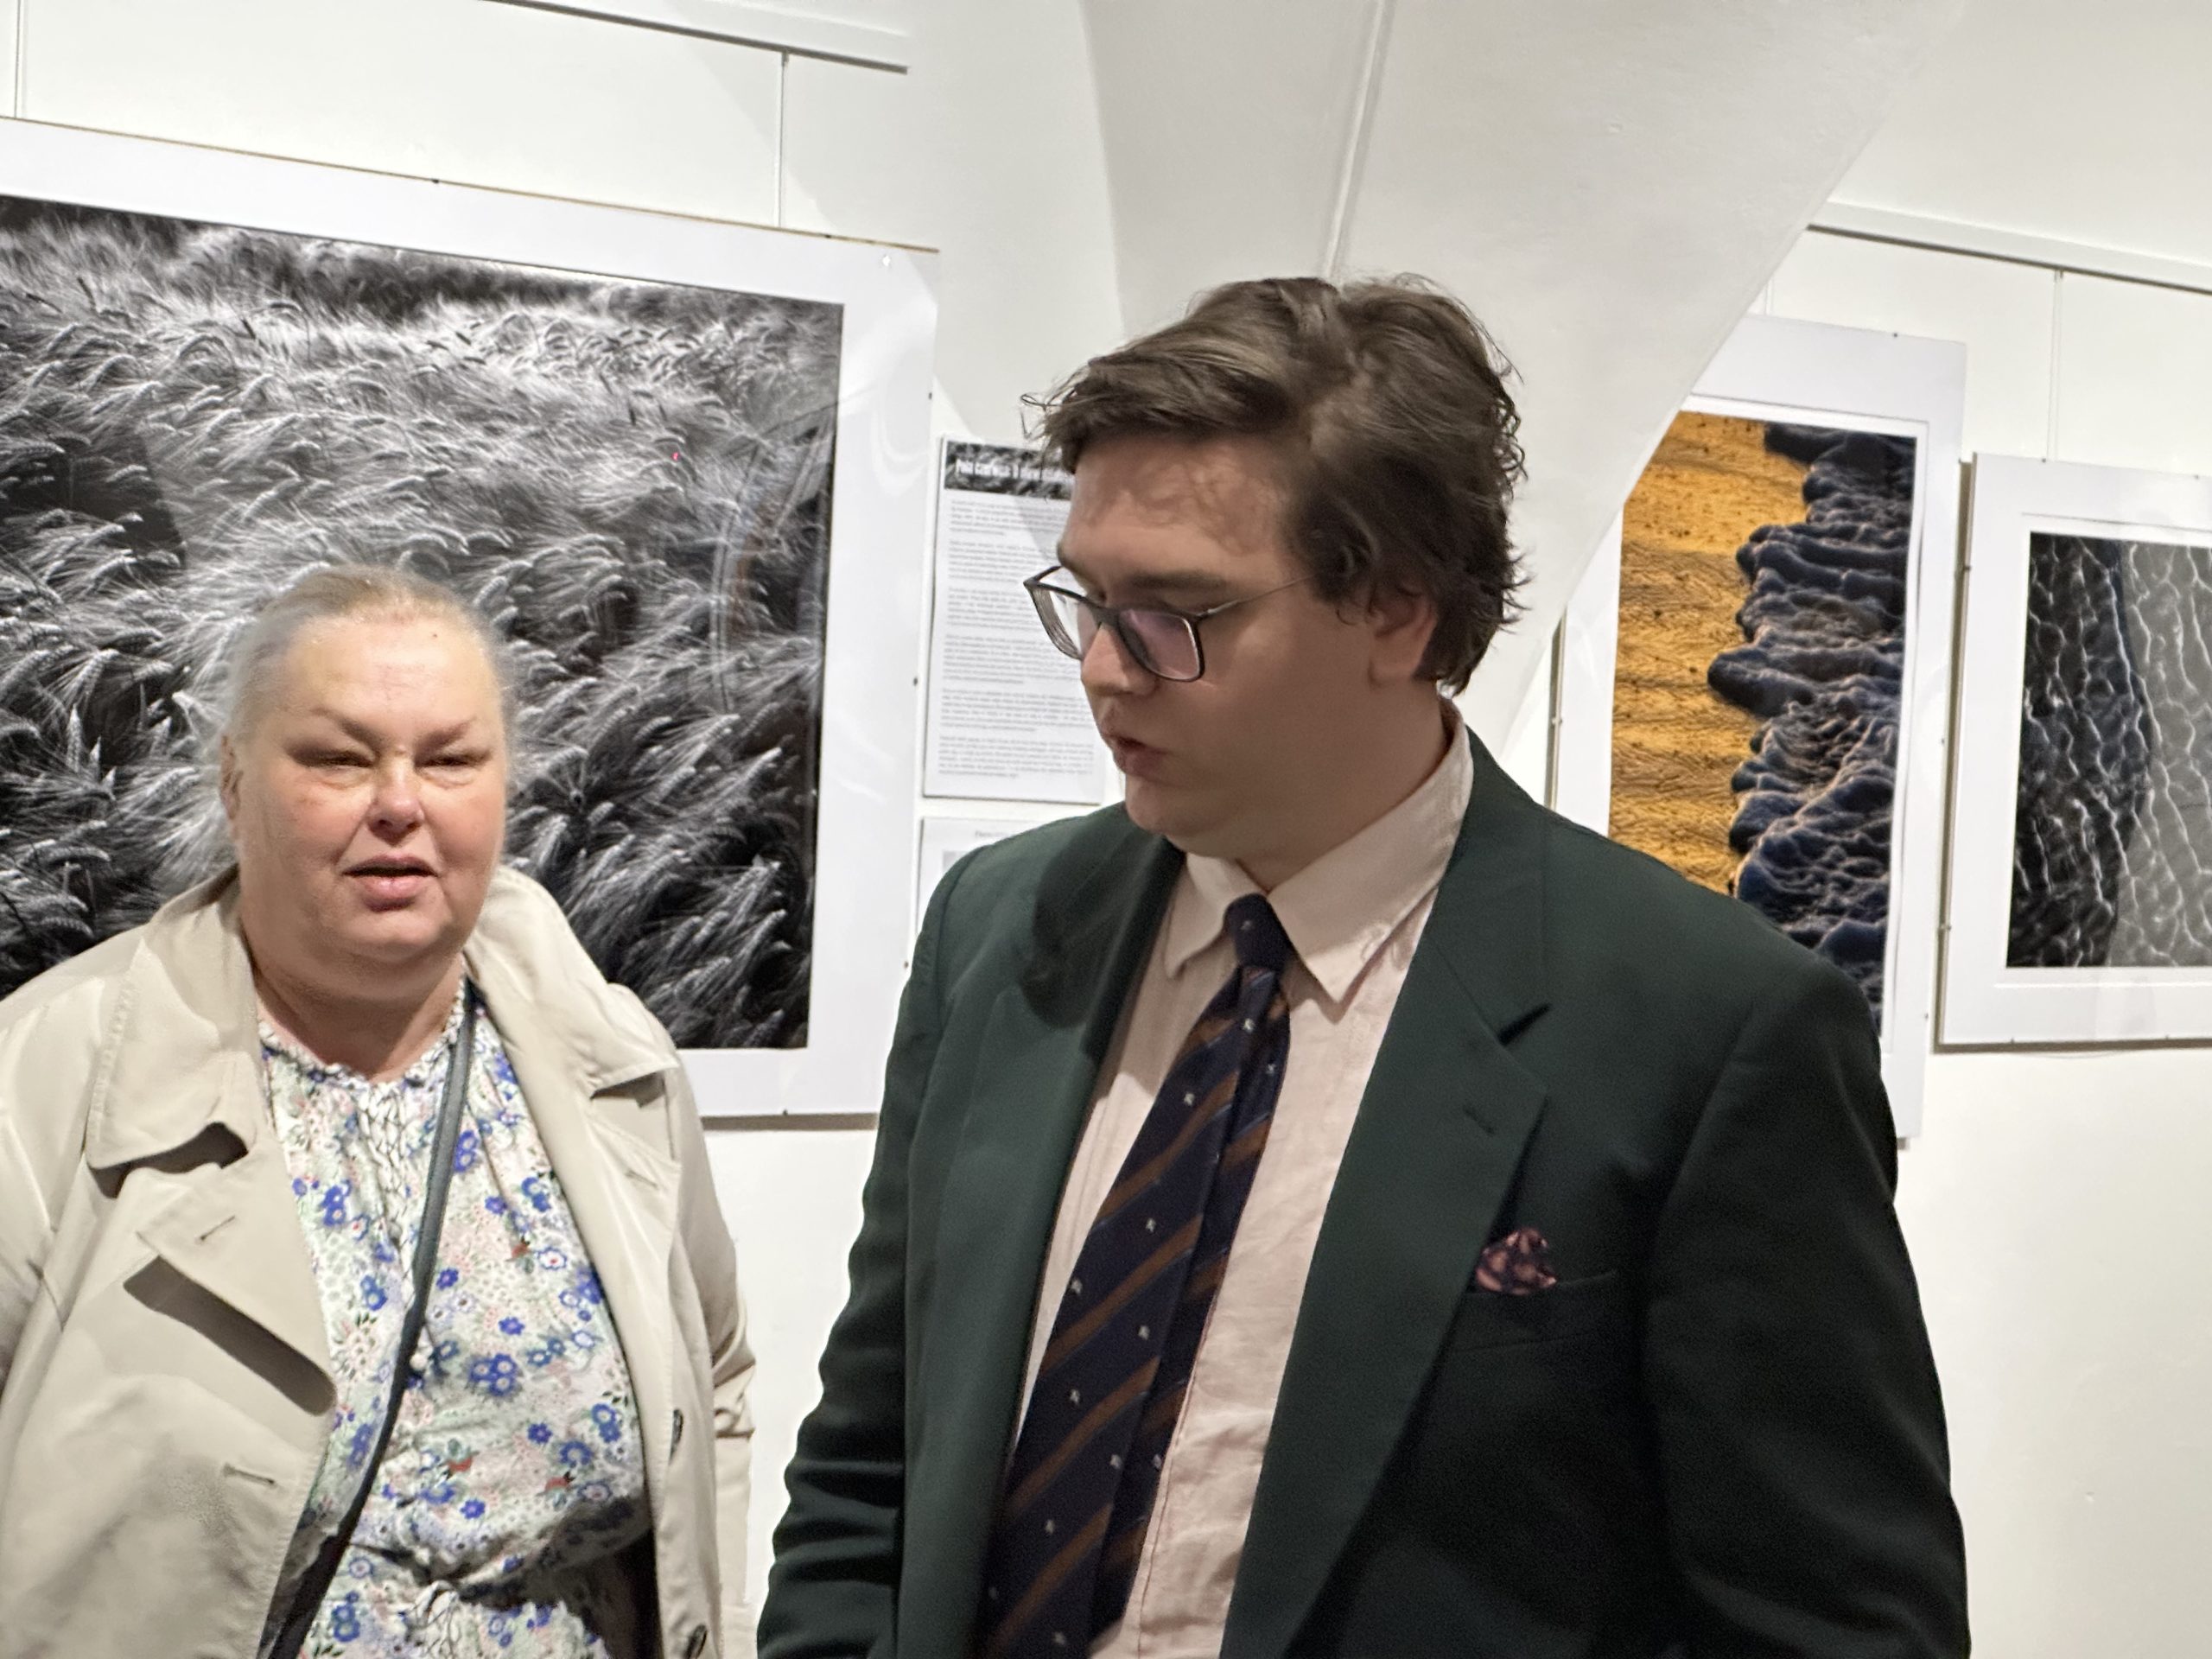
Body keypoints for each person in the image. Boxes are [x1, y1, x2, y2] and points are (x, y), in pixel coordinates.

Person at [760, 277, 1967, 1658]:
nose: (1100, 669)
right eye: (1087, 599)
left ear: (1397, 610)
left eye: (1175, 615)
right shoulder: (1003, 925)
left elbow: (1835, 1620)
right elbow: (874, 1462)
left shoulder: (1706, 1029)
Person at [0, 566, 754, 1659]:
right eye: (340, 759)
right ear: (233, 783)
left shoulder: (612, 1064)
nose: (400, 803)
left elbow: (713, 1378)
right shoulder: (51, 1075)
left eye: (450, 760)